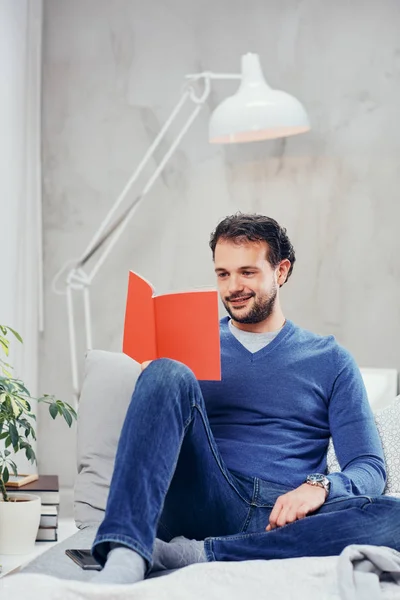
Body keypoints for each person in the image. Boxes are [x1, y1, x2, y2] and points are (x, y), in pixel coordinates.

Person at [92, 213, 400, 585]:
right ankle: (125, 554)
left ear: (281, 271)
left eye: (247, 272)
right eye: (223, 274)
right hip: (207, 495)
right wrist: (157, 383)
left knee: (394, 516)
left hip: (284, 516)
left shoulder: (331, 360)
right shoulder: (189, 344)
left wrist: (318, 487)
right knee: (167, 372)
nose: (233, 286)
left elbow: (369, 467)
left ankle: (197, 554)